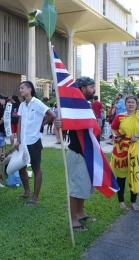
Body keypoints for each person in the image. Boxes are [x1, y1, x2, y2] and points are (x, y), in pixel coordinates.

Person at [54, 76, 99, 231]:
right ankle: (73, 220)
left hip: (88, 153)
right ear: (82, 89)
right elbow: (62, 126)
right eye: (91, 87)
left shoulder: (86, 106)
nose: (94, 89)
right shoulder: (72, 107)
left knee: (84, 186)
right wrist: (58, 124)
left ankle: (80, 213)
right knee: (76, 188)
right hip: (77, 153)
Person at [15, 81, 55, 205]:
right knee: (21, 167)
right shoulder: (22, 105)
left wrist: (41, 125)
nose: (20, 90)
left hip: (34, 141)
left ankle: (35, 197)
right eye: (20, 88)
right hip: (23, 141)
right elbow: (20, 123)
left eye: (22, 88)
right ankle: (26, 192)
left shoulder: (37, 103)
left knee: (36, 168)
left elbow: (52, 115)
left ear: (29, 89)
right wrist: (18, 139)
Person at [110, 95, 139, 211]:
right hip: (122, 148)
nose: (130, 104)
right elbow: (113, 128)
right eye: (128, 102)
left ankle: (133, 201)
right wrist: (115, 136)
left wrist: (137, 136)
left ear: (136, 105)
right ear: (125, 104)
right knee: (121, 176)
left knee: (135, 174)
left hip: (137, 149)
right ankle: (121, 201)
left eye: (133, 102)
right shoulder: (119, 117)